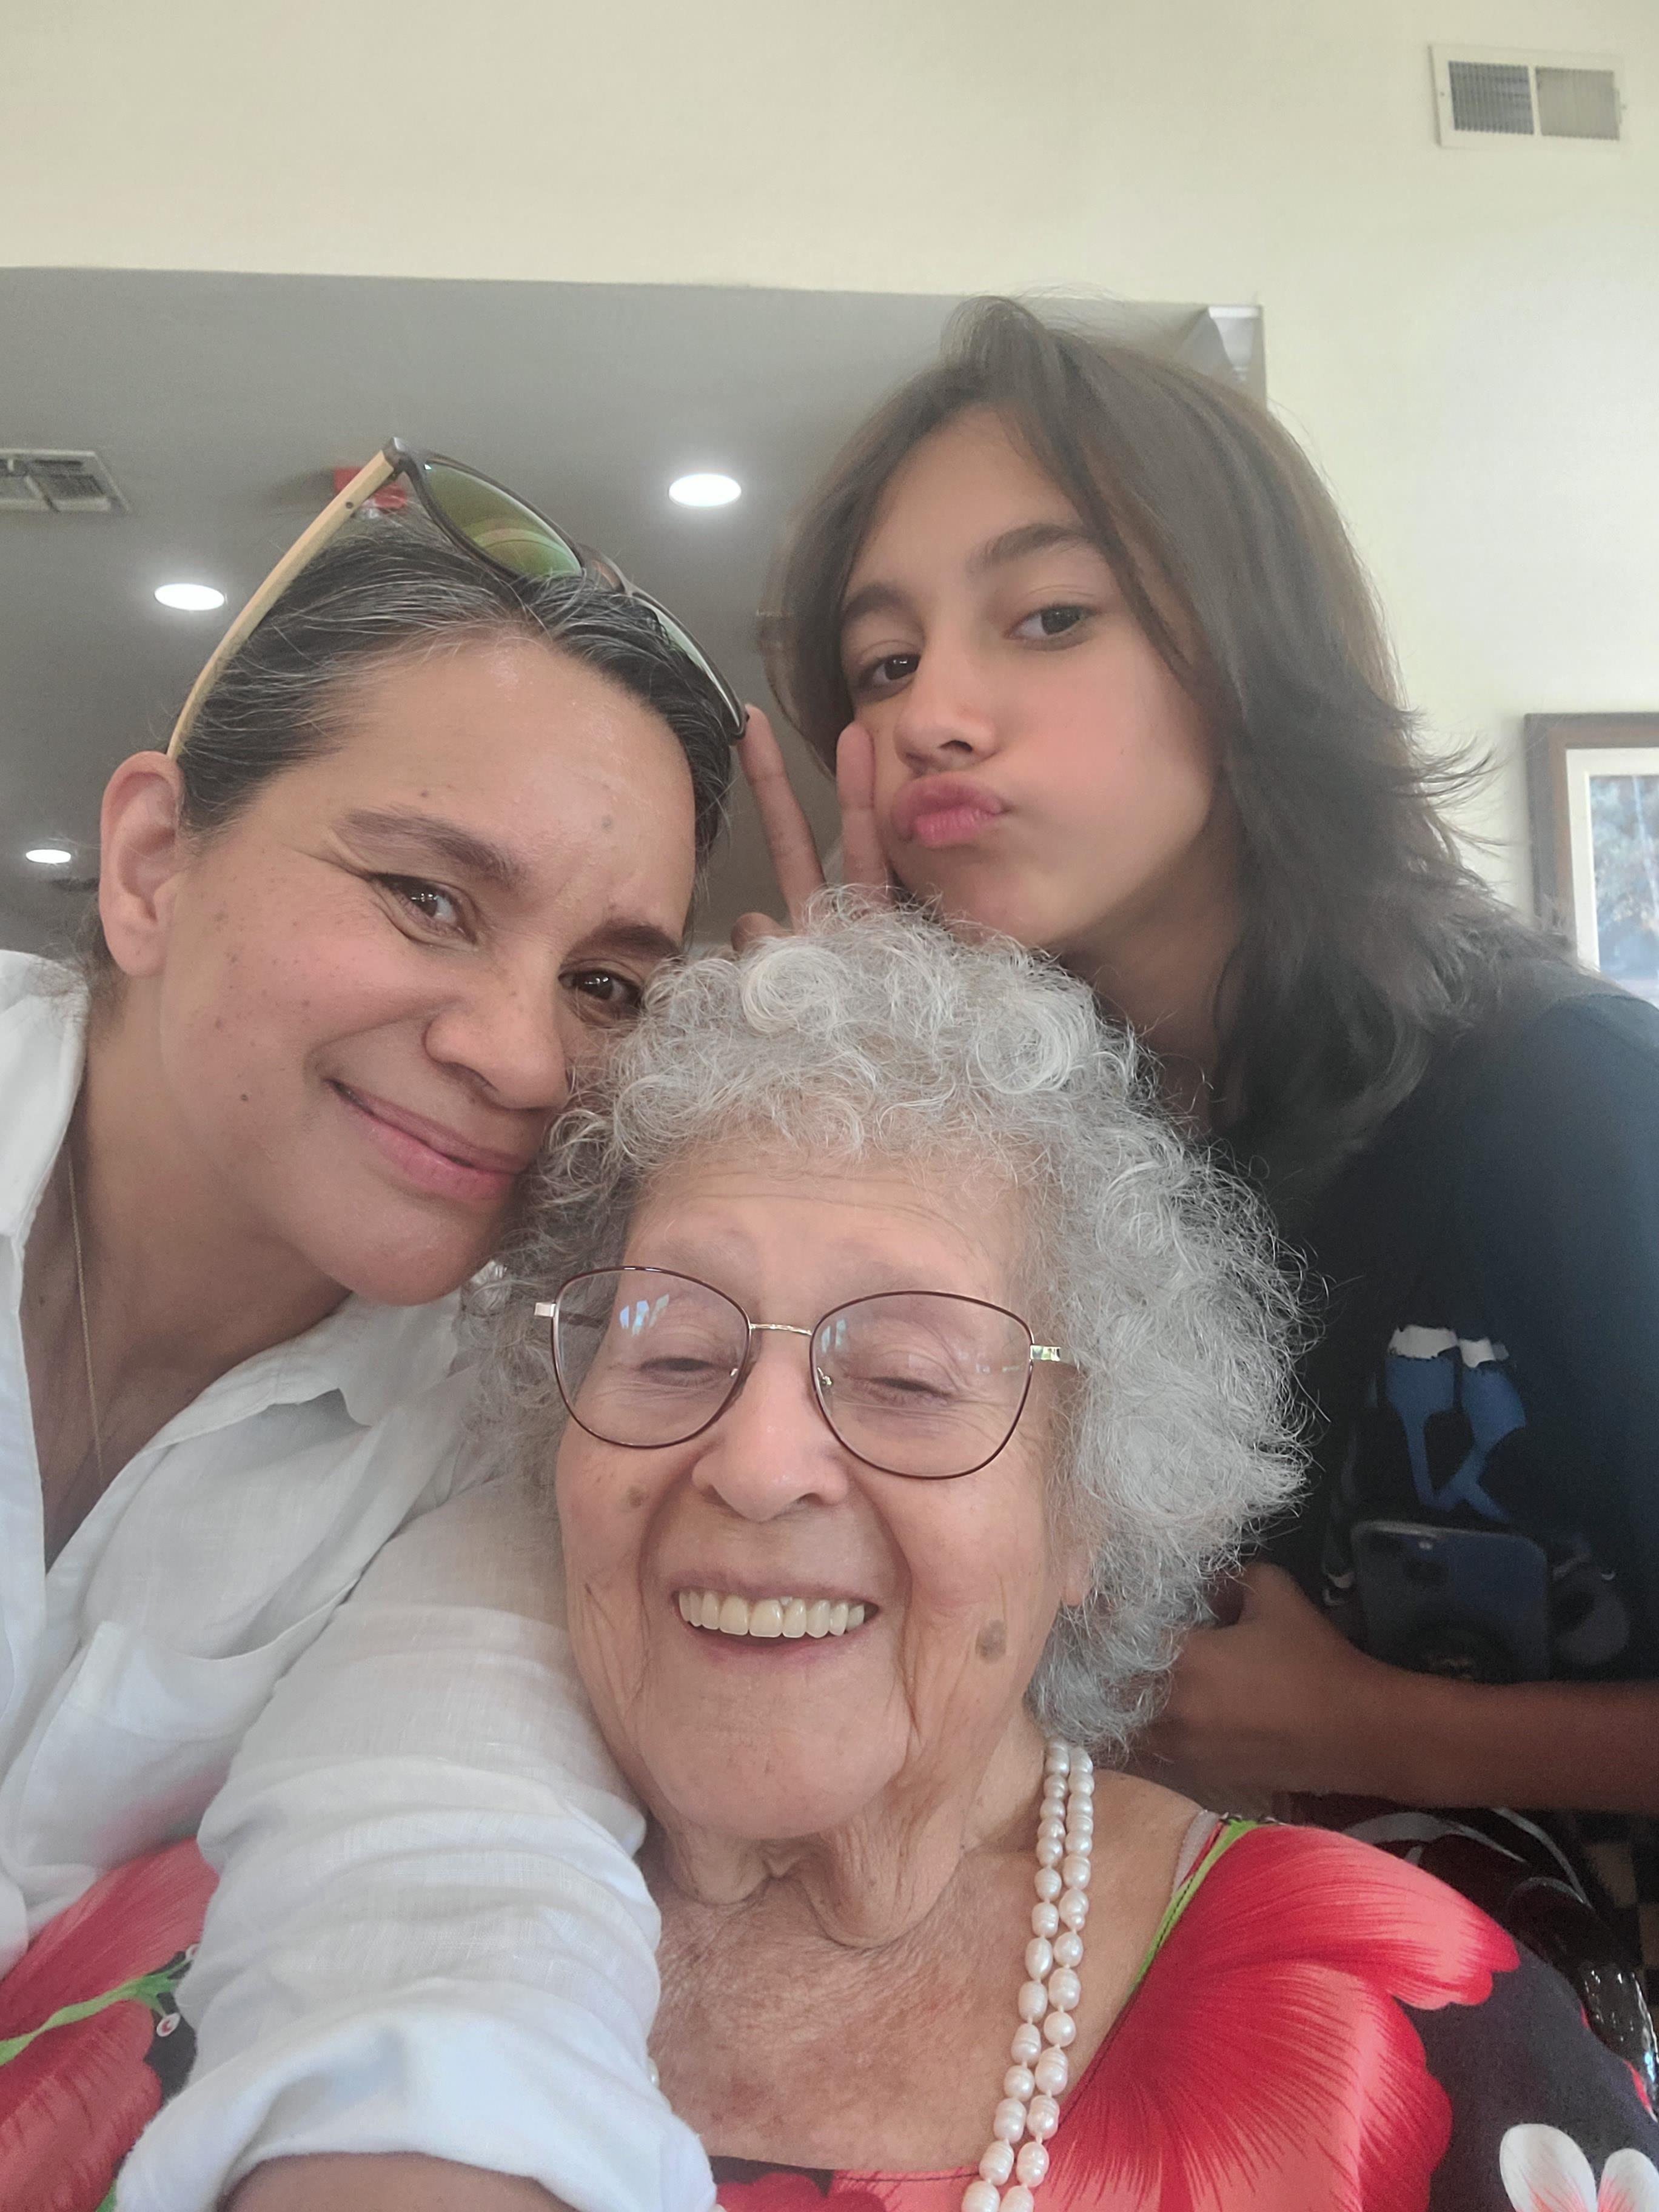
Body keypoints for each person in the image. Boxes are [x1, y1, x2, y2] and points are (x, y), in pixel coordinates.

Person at [439, 905, 1652, 2212]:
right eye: (672, 1351)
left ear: (1087, 1507)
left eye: (905, 1376)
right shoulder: (320, 1931)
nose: (755, 1460)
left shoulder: (1426, 2044)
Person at [733, 301, 1659, 1875]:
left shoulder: (1567, 1107)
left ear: (1251, 654)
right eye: (883, 661)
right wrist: (852, 1112)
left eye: (1048, 619)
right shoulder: (1033, 1138)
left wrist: (1382, 1726)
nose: (930, 714)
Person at [0, 443, 739, 2212]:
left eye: (606, 982)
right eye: (428, 896)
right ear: (155, 865)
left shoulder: (499, 1408)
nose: (523, 1055)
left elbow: (447, 1882)